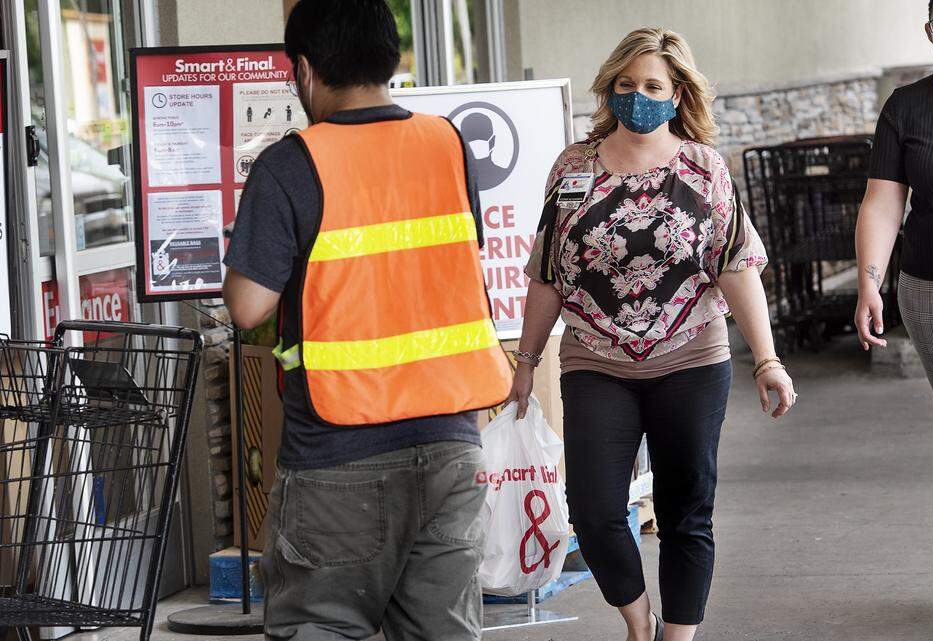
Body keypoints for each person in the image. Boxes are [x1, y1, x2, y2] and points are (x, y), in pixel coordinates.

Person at [221, 0, 512, 638]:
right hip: (450, 442)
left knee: (323, 625)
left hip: (338, 452)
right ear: (392, 58)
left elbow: (248, 306)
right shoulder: (447, 144)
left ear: (303, 70)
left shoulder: (291, 163)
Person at [507, 27, 796, 641]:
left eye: (653, 86)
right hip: (596, 360)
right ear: (610, 89)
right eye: (627, 84)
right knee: (593, 511)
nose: (639, 95)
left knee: (687, 511)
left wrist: (767, 360)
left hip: (691, 356)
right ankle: (639, 626)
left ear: (677, 93)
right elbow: (548, 272)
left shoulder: (702, 168)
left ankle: (677, 637)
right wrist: (527, 360)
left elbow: (737, 266)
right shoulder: (573, 167)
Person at [855, 0, 933, 617]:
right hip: (928, 290)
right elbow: (883, 200)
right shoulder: (908, 105)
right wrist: (870, 282)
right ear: (928, 29)